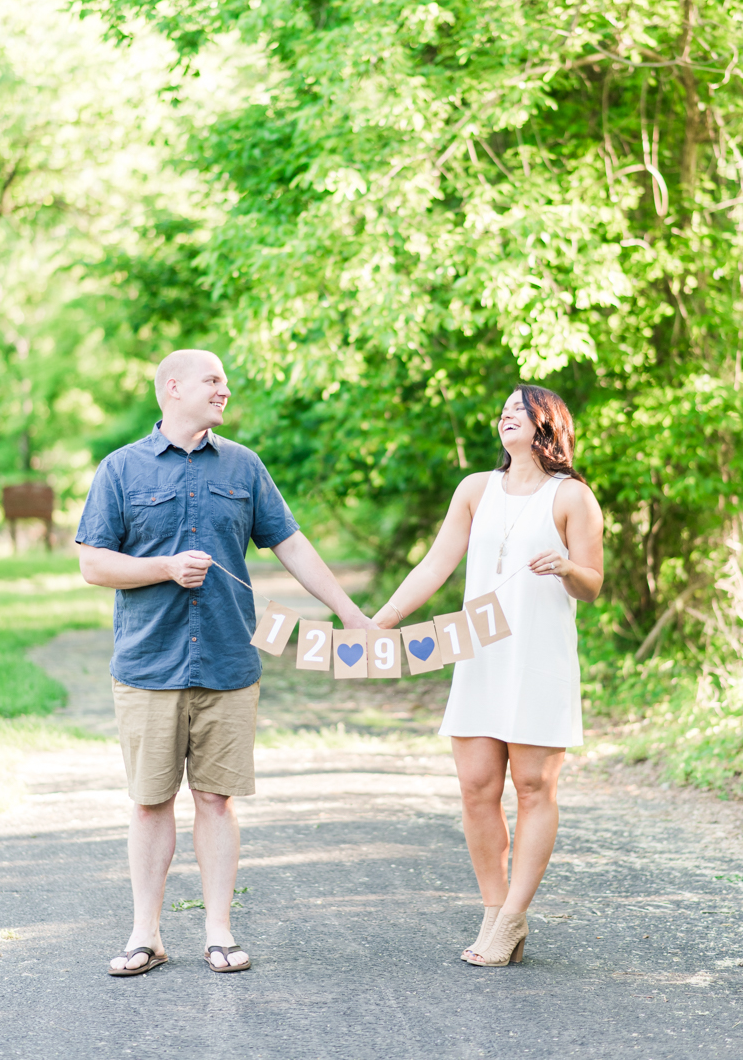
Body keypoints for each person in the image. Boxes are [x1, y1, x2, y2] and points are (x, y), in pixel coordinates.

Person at [77, 349, 372, 976]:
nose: (224, 389)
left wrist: (349, 612)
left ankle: (218, 932)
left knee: (216, 800)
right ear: (172, 388)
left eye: (225, 381)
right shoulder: (121, 470)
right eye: (213, 380)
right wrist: (163, 568)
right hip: (148, 666)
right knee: (151, 803)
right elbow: (93, 563)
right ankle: (145, 934)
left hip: (229, 663)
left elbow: (291, 543)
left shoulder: (244, 465)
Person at [373, 384, 603, 967]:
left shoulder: (572, 497)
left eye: (518, 412)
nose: (506, 418)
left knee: (533, 787)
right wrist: (386, 618)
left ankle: (514, 916)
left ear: (546, 425)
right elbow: (436, 561)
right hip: (479, 653)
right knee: (477, 787)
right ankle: (493, 908)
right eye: (501, 411)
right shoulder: (475, 489)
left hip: (539, 657)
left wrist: (568, 567)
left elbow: (593, 585)